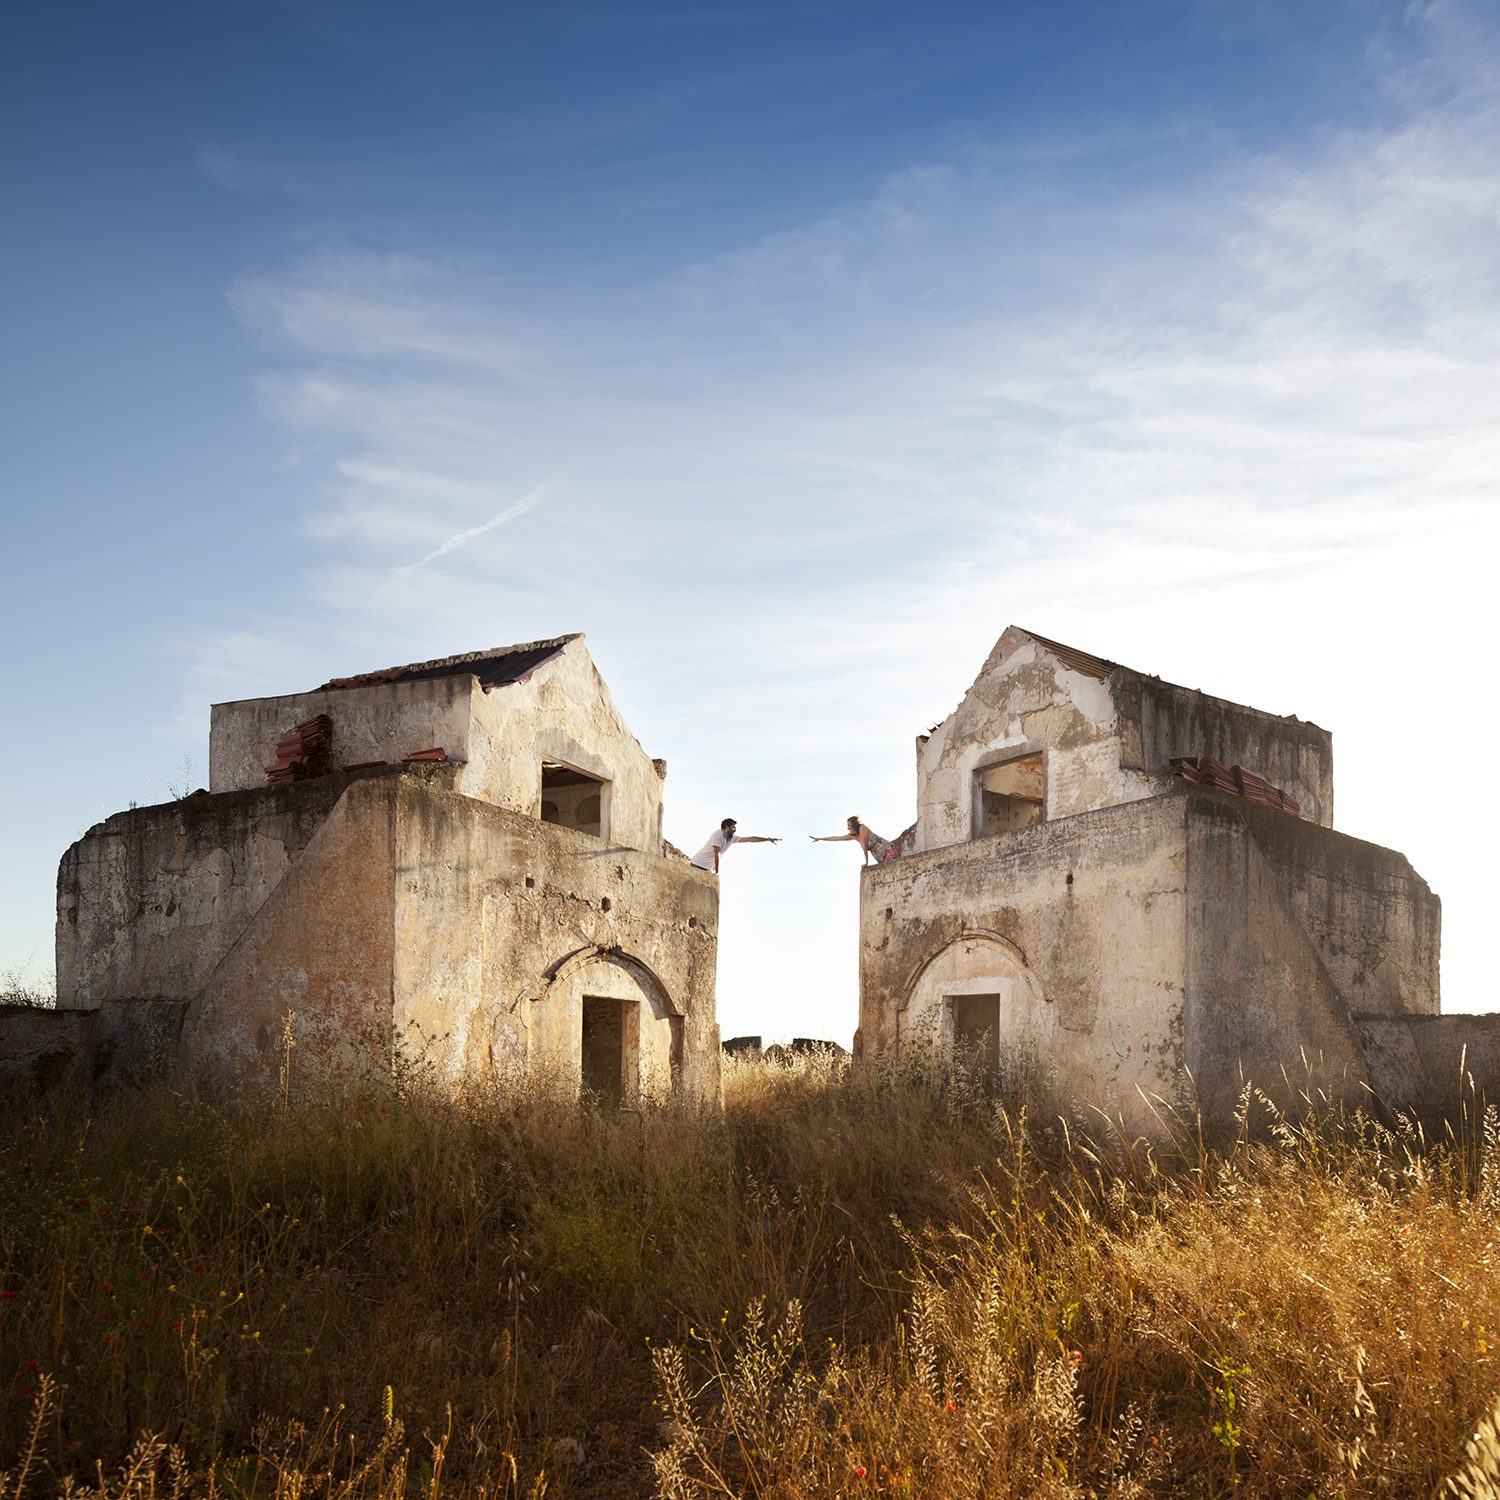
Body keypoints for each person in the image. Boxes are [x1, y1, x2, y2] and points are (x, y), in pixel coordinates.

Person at [690, 817, 780, 873]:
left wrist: (767, 839)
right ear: (726, 827)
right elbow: (716, 853)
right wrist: (716, 872)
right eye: (733, 827)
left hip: (706, 869)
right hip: (697, 864)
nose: (735, 830)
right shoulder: (718, 834)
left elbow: (750, 839)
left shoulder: (732, 838)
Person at [810, 815, 902, 866]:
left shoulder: (863, 829)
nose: (848, 828)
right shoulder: (853, 836)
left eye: (849, 825)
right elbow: (836, 838)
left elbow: (865, 847)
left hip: (888, 851)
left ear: (854, 825)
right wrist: (820, 838)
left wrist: (866, 863)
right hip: (881, 857)